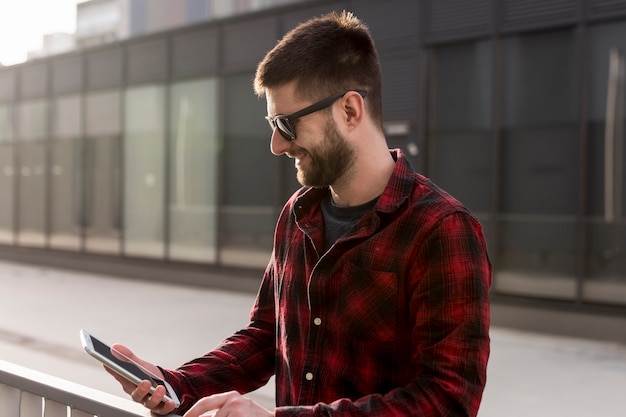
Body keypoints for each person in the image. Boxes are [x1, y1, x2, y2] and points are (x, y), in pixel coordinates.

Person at [106, 10, 492, 417]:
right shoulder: (297, 214)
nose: (276, 144)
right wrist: (176, 385)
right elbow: (265, 338)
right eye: (274, 124)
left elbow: (448, 400)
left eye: (287, 124)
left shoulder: (441, 230)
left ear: (349, 110)